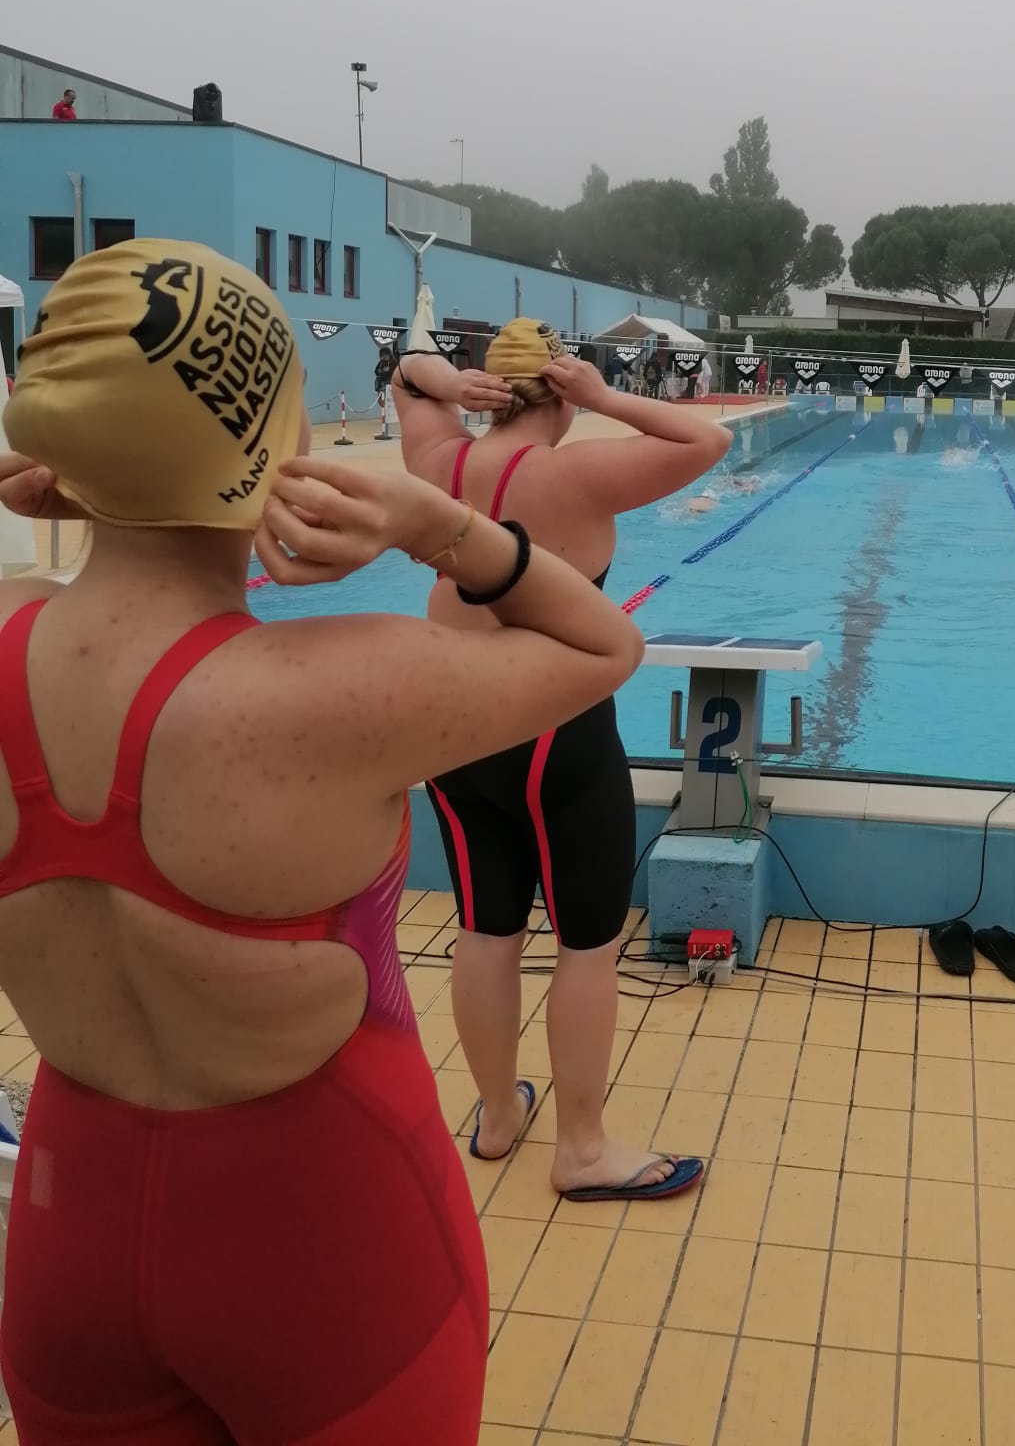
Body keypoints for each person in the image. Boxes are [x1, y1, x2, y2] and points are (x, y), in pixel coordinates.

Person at [0, 241, 643, 1444]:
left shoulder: (7, 640)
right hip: (326, 1250)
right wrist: (442, 527)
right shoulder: (337, 691)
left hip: (69, 1236)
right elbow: (604, 646)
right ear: (275, 443)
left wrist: (98, 484)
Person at [392, 322, 731, 1198]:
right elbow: (708, 441)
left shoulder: (439, 465)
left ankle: (497, 1114)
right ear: (563, 390)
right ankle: (581, 1151)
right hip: (556, 733)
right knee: (586, 945)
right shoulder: (577, 474)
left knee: (485, 928)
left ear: (491, 391)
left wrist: (446, 380)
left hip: (453, 733)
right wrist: (607, 396)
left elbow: (407, 378)